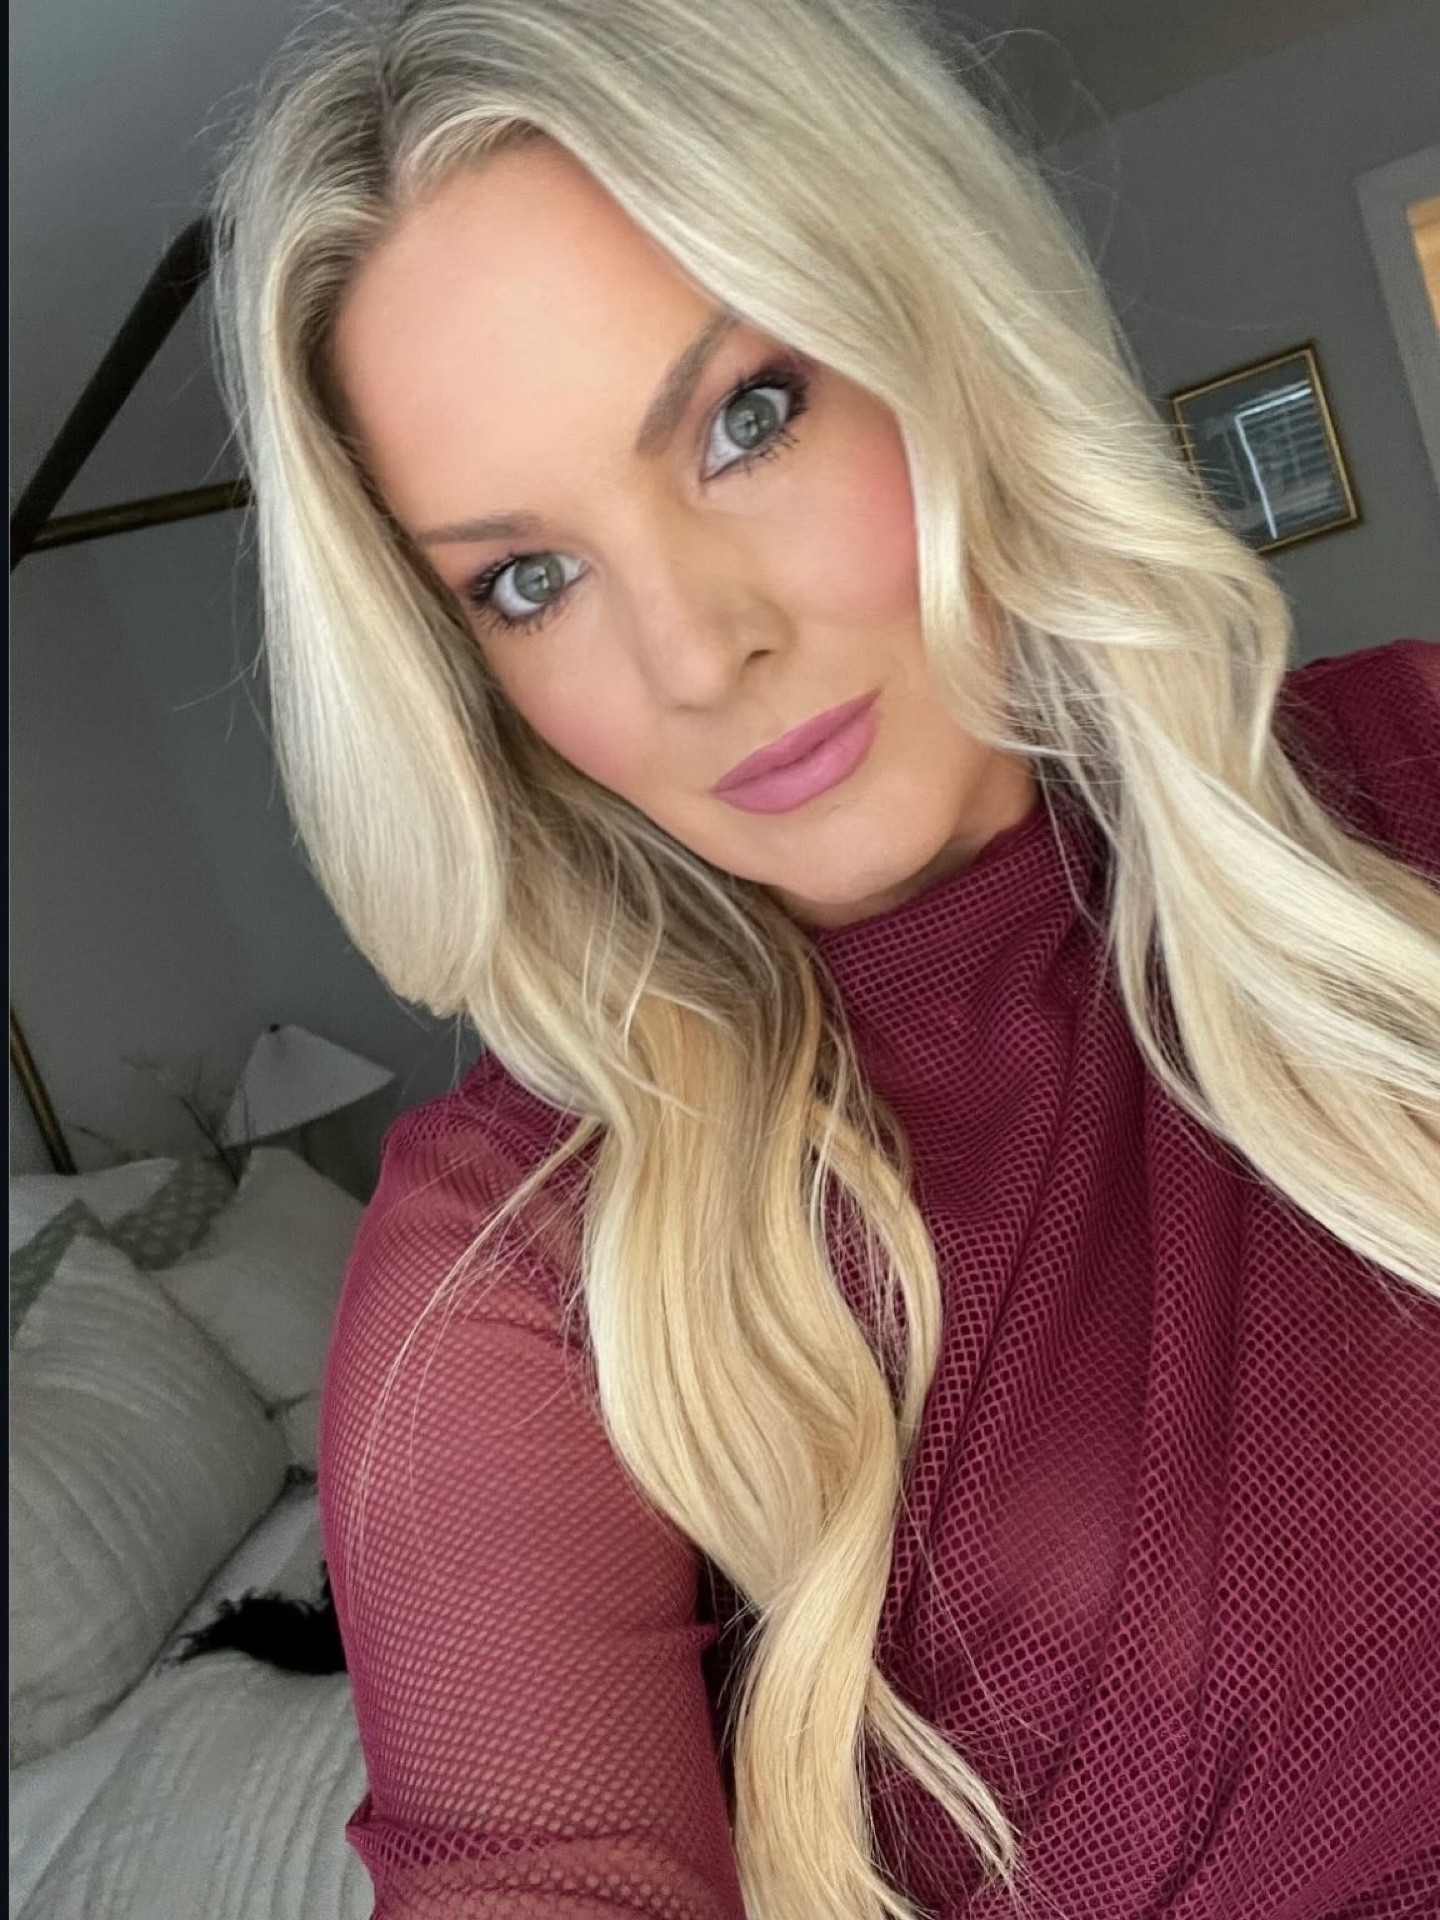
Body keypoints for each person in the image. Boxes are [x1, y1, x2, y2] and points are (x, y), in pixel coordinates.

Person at [206, 1, 1440, 1914]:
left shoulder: (1408, 774)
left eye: (745, 421)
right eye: (528, 579)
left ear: (934, 329)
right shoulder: (517, 1264)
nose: (700, 655)